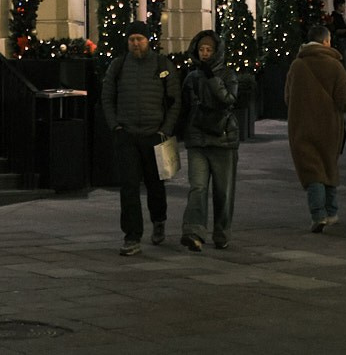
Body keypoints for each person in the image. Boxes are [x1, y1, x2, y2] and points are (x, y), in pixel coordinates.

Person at [101, 20, 179, 255]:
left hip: (154, 135)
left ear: (148, 41)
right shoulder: (119, 65)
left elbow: (175, 100)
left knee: (156, 185)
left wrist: (165, 129)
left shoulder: (162, 64)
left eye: (140, 39)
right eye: (132, 39)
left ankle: (159, 220)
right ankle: (132, 236)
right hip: (127, 135)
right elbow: (107, 97)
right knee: (129, 187)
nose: (135, 43)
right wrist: (115, 126)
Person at [284, 22, 346, 231]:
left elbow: (287, 96)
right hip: (330, 124)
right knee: (329, 165)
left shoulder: (297, 65)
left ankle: (318, 215)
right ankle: (332, 212)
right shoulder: (335, 65)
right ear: (326, 41)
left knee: (311, 168)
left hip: (302, 124)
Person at [178, 29, 242, 251]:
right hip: (197, 139)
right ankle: (193, 232)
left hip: (222, 139)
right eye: (201, 50)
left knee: (223, 191)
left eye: (209, 50)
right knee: (197, 187)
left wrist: (211, 78)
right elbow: (184, 107)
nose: (204, 54)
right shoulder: (191, 77)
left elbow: (228, 100)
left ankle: (221, 232)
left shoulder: (227, 75)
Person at [327, 0, 346, 68]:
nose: (345, 7)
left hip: (344, 38)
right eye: (343, 5)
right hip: (340, 40)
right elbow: (336, 30)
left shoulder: (341, 16)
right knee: (343, 57)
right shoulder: (335, 17)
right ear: (339, 6)